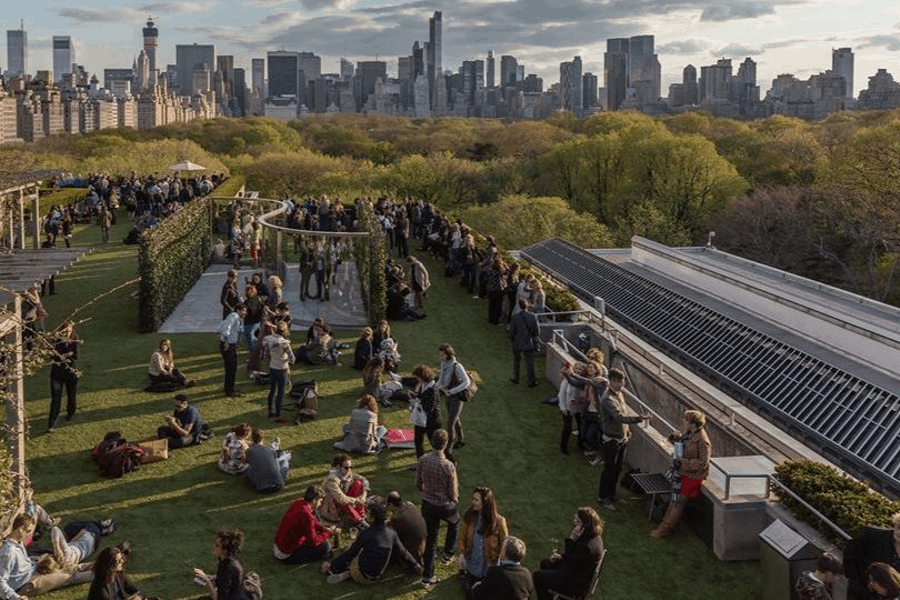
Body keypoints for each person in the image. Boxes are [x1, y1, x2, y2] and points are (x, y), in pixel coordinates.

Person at [321, 496, 423, 585]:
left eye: (368, 513)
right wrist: (415, 565)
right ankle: (348, 573)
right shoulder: (392, 532)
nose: (365, 515)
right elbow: (403, 552)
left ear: (373, 518)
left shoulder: (366, 533)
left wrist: (331, 565)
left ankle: (347, 573)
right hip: (377, 576)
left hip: (362, 575)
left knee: (355, 550)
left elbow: (350, 553)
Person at [0, 513, 95, 600]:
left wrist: (38, 561)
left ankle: (104, 565)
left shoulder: (18, 541)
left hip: (34, 568)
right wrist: (16, 597)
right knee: (68, 577)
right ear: (20, 529)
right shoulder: (8, 552)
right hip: (27, 583)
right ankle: (101, 573)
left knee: (69, 566)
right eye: (28, 531)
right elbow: (1, 581)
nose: (29, 534)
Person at [651, 409, 712, 538]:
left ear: (693, 424)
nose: (683, 422)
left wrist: (683, 462)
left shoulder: (702, 440)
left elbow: (703, 462)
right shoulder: (690, 433)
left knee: (678, 501)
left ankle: (664, 529)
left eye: (686, 420)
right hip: (682, 473)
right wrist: (675, 438)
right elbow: (684, 445)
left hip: (691, 477)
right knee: (674, 500)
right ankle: (664, 525)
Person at [597, 368, 651, 511]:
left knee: (617, 468)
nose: (622, 384)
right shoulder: (608, 399)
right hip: (611, 441)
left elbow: (624, 413)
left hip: (621, 440)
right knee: (609, 470)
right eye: (620, 382)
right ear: (612, 381)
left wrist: (627, 434)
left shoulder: (618, 394)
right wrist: (639, 418)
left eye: (623, 381)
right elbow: (619, 417)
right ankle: (603, 498)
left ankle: (612, 494)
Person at [416, 429, 460, 588]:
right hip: (444, 505)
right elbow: (453, 492)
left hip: (428, 504)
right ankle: (448, 554)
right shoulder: (448, 466)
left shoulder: (422, 460)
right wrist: (454, 501)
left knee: (431, 539)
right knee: (455, 523)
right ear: (446, 444)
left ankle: (427, 577)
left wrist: (425, 493)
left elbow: (417, 483)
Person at [533, 507, 605, 600]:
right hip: (577, 573)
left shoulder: (586, 547)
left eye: (577, 521)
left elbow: (569, 563)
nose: (574, 522)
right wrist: (560, 557)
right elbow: (574, 558)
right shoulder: (594, 537)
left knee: (538, 577)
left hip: (575, 584)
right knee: (545, 563)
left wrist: (572, 539)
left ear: (585, 526)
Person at [458, 486, 510, 594]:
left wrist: (500, 563)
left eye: (476, 500)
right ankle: (464, 576)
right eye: (473, 499)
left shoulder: (499, 522)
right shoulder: (469, 517)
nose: (473, 502)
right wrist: (462, 554)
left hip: (489, 567)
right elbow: (462, 538)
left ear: (485, 503)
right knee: (470, 592)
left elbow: (505, 543)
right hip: (473, 566)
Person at [273, 485, 335, 565]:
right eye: (320, 501)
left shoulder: (298, 502)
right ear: (314, 500)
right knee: (325, 546)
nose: (320, 504)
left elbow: (311, 524)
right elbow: (314, 542)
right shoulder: (307, 515)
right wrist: (330, 533)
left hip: (279, 546)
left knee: (318, 536)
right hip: (286, 555)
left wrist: (323, 528)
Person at [844, 513, 900, 600]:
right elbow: (850, 551)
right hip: (861, 591)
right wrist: (853, 577)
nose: (899, 533)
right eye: (899, 527)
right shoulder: (873, 535)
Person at [192, 529, 253, 600]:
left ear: (224, 550)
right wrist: (212, 577)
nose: (213, 546)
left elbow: (218, 598)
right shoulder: (230, 558)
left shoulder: (228, 567)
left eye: (217, 545)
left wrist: (207, 581)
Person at [436, 343, 471, 455]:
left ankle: (449, 449)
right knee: (455, 419)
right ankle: (461, 440)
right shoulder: (444, 364)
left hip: (456, 396)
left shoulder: (457, 366)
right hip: (448, 395)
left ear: (448, 354)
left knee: (450, 423)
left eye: (443, 355)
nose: (441, 358)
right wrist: (435, 388)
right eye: (440, 355)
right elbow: (441, 380)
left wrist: (452, 391)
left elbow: (467, 382)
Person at [318, 454, 369, 527]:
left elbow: (365, 480)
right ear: (339, 467)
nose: (349, 470)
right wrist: (357, 500)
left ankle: (360, 515)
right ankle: (359, 521)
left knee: (358, 483)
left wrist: (364, 495)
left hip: (343, 501)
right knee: (345, 502)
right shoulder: (332, 479)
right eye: (346, 468)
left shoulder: (348, 474)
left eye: (351, 467)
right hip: (331, 506)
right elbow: (341, 499)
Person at [48, 320, 80, 433]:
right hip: (57, 374)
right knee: (56, 398)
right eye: (64, 331)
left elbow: (75, 355)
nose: (66, 333)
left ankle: (71, 413)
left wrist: (62, 356)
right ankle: (52, 423)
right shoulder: (56, 341)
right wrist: (66, 355)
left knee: (71, 394)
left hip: (70, 372)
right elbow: (52, 356)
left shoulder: (75, 339)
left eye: (68, 331)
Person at [262, 322, 294, 422]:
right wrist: (287, 360)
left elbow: (265, 354)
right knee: (280, 392)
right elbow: (292, 358)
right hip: (282, 369)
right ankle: (279, 413)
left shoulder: (268, 339)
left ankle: (270, 410)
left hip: (272, 367)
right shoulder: (285, 343)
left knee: (272, 390)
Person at [245, 428, 291, 493]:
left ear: (251, 438)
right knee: (285, 461)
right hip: (277, 485)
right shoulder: (270, 449)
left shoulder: (249, 451)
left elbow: (247, 463)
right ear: (262, 438)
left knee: (249, 468)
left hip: (260, 487)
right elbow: (277, 467)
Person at [411, 363, 441, 460]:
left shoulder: (433, 390)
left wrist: (417, 401)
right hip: (421, 419)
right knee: (418, 441)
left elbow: (430, 407)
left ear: (423, 377)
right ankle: (420, 463)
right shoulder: (423, 385)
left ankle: (443, 462)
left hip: (431, 420)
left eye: (418, 377)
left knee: (435, 443)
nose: (417, 380)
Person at [387, 491, 427, 564]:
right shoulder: (410, 505)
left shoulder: (397, 518)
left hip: (413, 552)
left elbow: (389, 532)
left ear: (391, 504)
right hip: (424, 544)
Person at [217, 303, 247, 398]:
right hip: (228, 345)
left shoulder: (236, 318)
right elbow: (226, 327)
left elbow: (220, 327)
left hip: (231, 345)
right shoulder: (233, 316)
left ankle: (230, 388)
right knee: (231, 368)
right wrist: (225, 341)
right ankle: (229, 390)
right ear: (238, 310)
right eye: (244, 310)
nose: (245, 313)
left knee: (232, 368)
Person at [509, 298, 540, 388]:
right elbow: (537, 332)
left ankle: (516, 378)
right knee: (530, 363)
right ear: (528, 306)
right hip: (528, 342)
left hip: (517, 342)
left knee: (516, 361)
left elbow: (512, 331)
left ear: (519, 305)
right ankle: (532, 381)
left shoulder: (515, 317)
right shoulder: (533, 316)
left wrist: (512, 340)